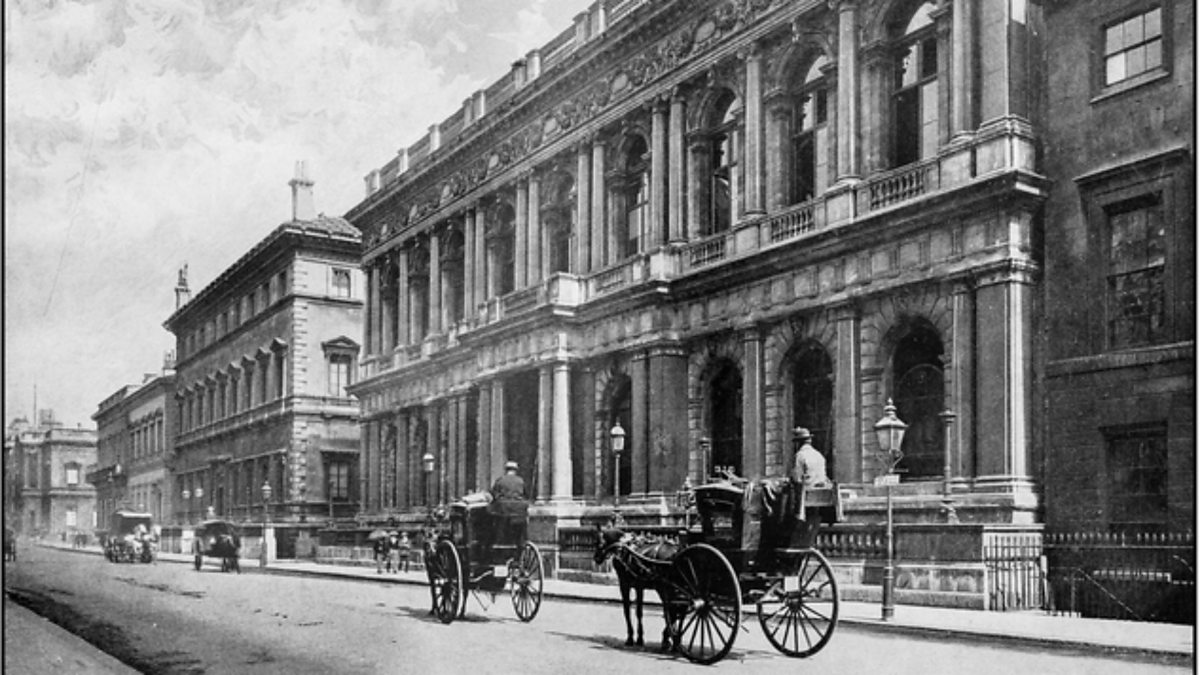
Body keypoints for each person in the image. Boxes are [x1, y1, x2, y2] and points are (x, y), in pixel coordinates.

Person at [489, 460, 528, 549]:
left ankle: (496, 542)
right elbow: (525, 494)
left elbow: (493, 494)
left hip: (503, 510)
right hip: (520, 511)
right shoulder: (520, 481)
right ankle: (520, 543)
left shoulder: (500, 480)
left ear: (506, 470)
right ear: (516, 470)